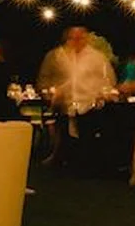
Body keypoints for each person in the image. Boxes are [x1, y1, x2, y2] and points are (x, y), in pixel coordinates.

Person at [38, 27, 117, 176]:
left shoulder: (96, 57)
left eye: (79, 38)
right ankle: (67, 162)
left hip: (89, 103)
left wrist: (101, 94)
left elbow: (108, 79)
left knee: (86, 137)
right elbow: (60, 80)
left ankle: (87, 167)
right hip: (68, 104)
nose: (75, 41)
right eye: (72, 38)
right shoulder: (62, 56)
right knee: (69, 134)